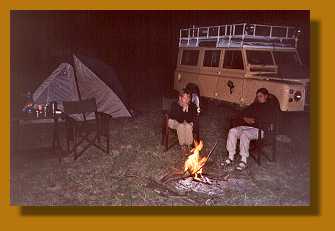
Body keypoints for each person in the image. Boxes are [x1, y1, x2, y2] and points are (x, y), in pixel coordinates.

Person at [223, 88, 279, 170]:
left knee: (244, 134)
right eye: (257, 96)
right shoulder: (255, 105)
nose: (258, 98)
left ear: (266, 96)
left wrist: (255, 121)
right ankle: (231, 156)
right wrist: (245, 118)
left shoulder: (270, 108)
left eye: (261, 96)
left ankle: (243, 160)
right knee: (232, 131)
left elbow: (268, 120)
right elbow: (243, 113)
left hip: (260, 130)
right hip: (248, 127)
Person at [168, 88, 198, 155]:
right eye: (185, 98)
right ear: (180, 98)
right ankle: (183, 145)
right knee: (181, 126)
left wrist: (186, 112)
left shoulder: (192, 106)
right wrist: (183, 110)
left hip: (186, 122)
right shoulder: (174, 105)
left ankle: (189, 145)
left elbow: (190, 119)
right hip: (173, 121)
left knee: (188, 126)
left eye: (188, 98)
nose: (187, 100)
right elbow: (179, 119)